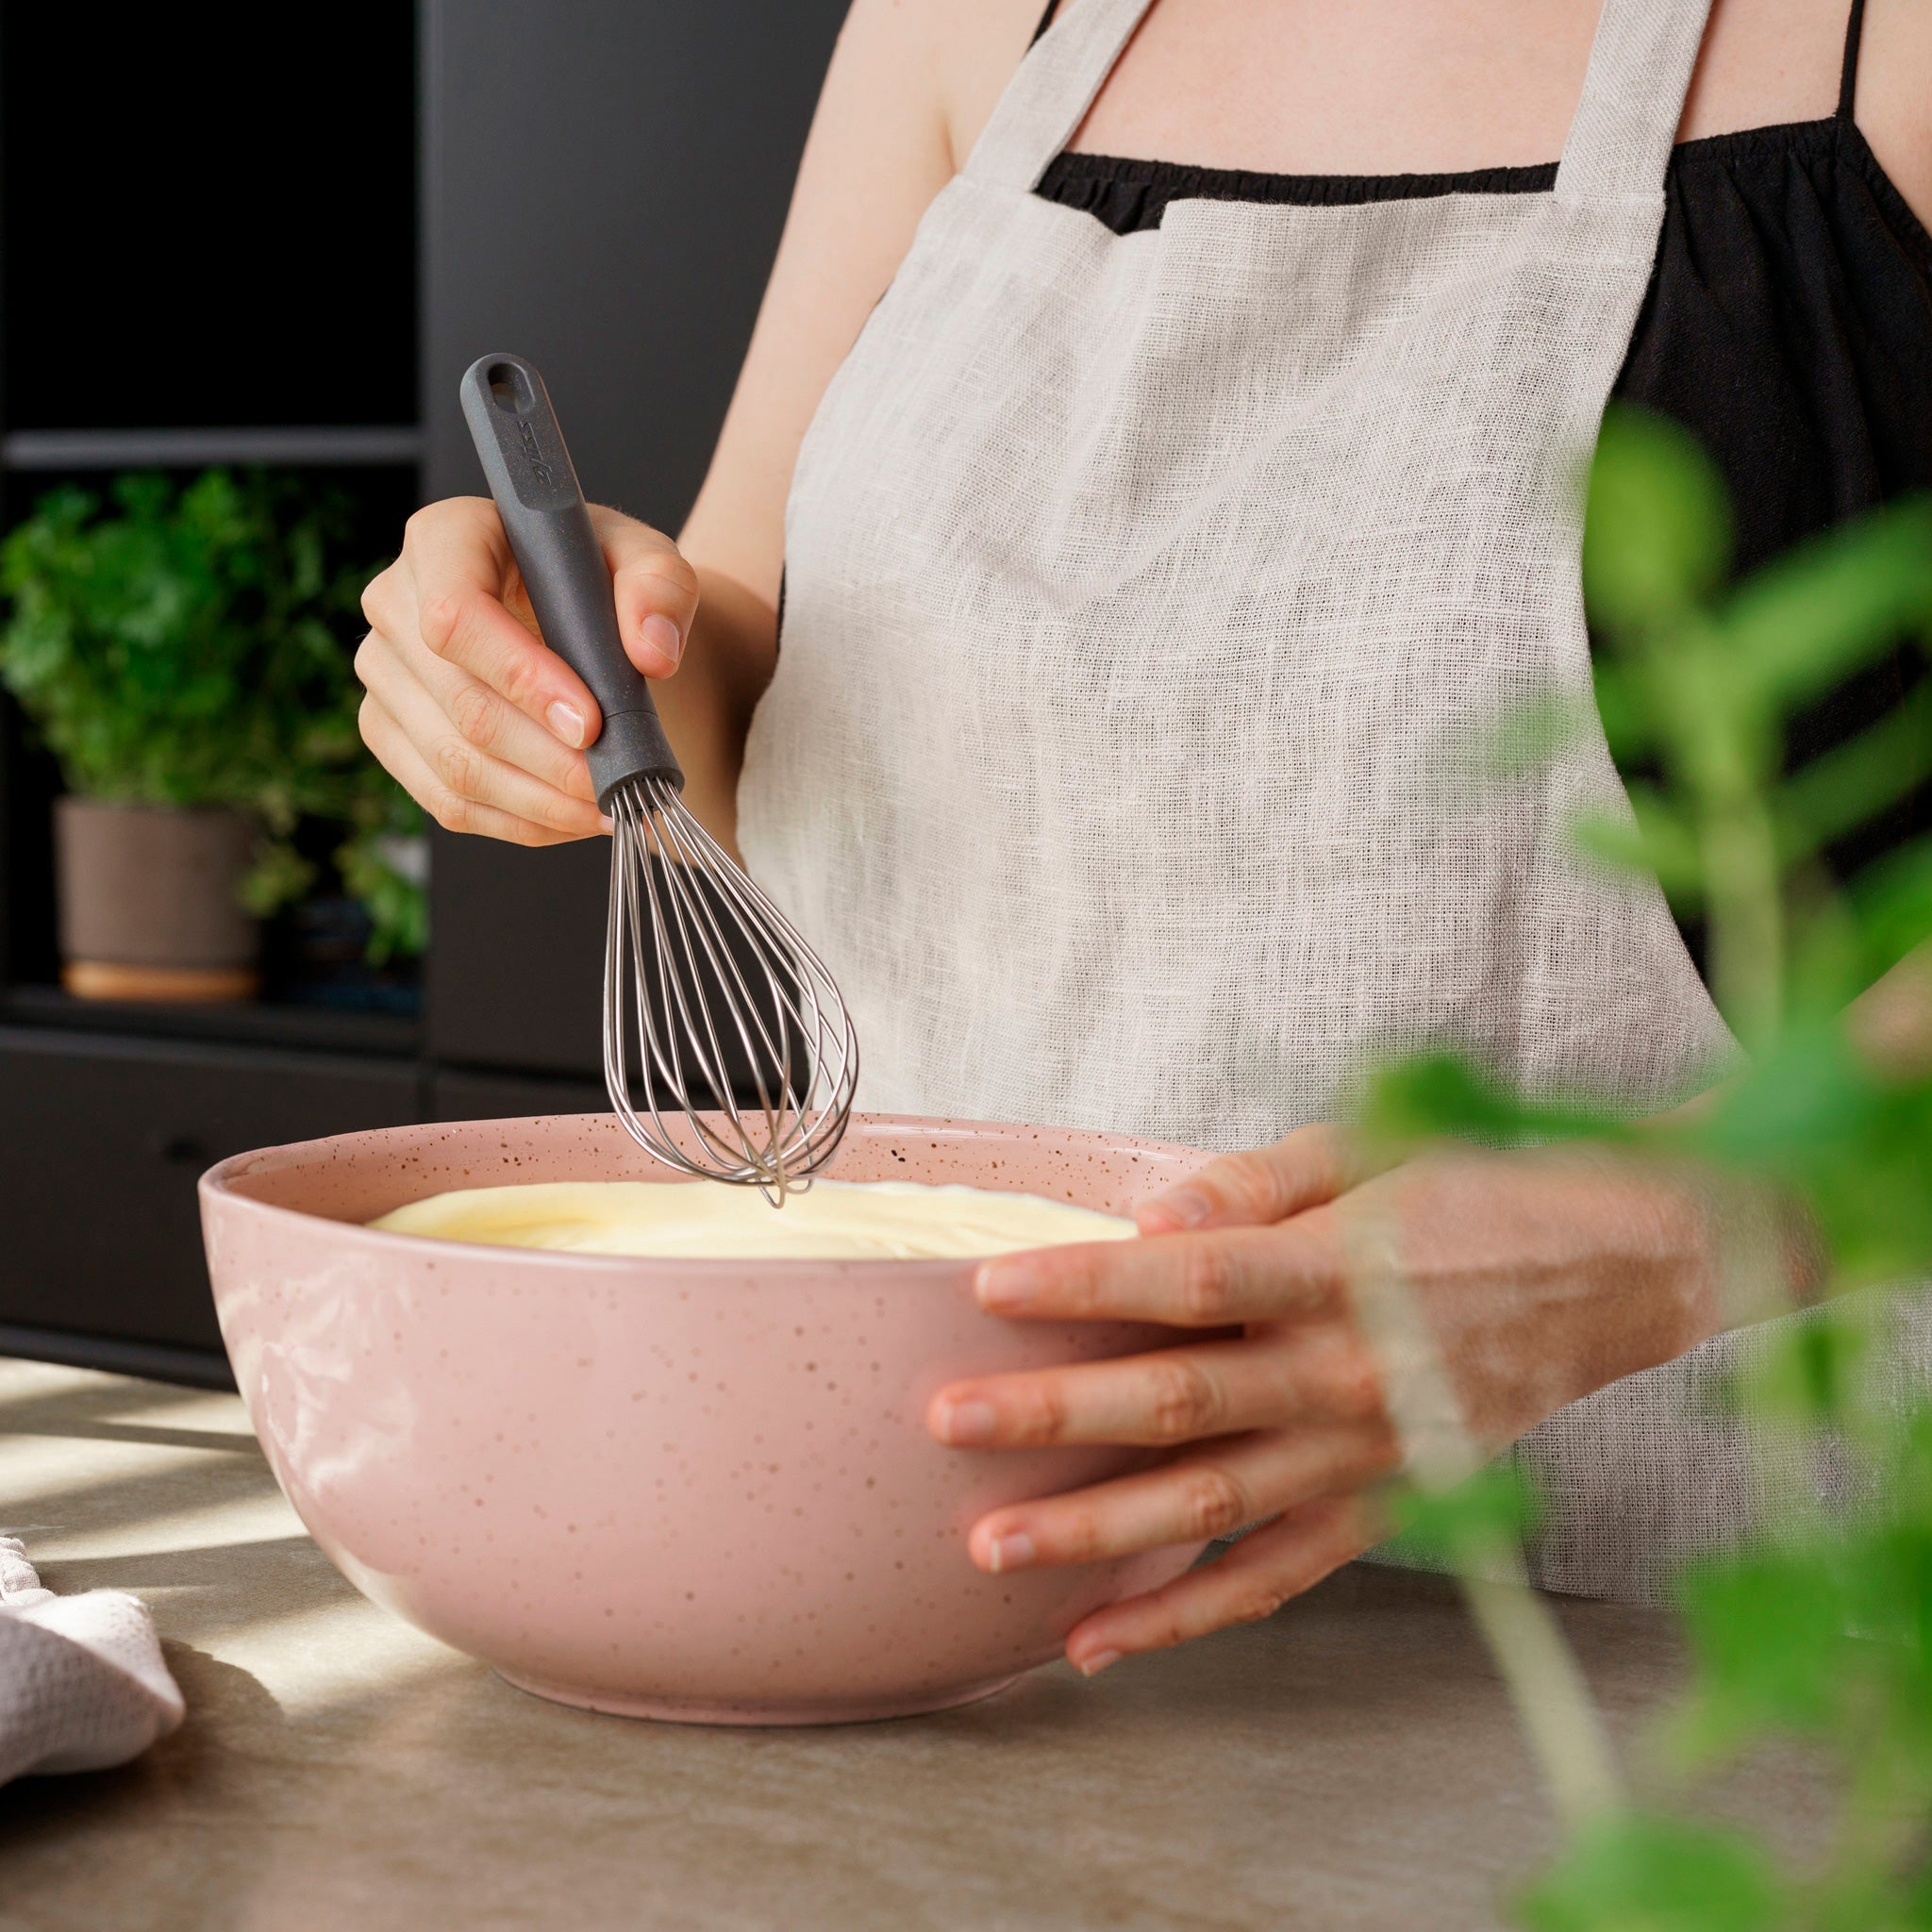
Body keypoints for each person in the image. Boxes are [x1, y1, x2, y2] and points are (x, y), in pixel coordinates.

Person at [358, 0, 1932, 1674]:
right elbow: (753, 669)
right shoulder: (959, 21)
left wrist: (1659, 1236)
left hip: (1709, 1640)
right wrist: (581, 667)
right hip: (955, 1597)